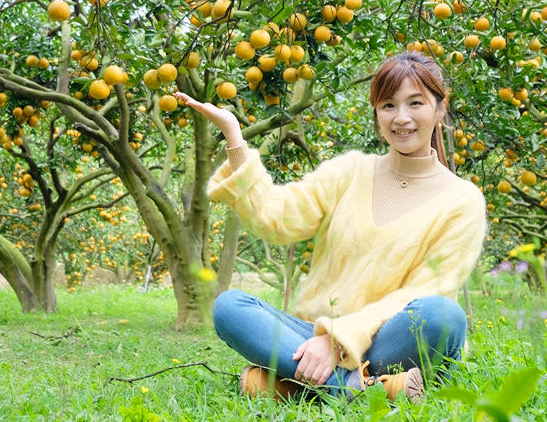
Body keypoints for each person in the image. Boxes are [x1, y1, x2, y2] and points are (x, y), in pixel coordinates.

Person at [173, 51, 487, 403]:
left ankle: (296, 385)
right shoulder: (350, 171)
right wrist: (234, 137)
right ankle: (362, 389)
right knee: (230, 307)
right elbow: (278, 219)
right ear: (377, 112)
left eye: (415, 103)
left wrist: (336, 341)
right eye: (387, 105)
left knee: (442, 315)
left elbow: (422, 290)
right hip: (312, 333)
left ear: (440, 108)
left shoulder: (462, 201)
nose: (401, 118)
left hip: (390, 339)